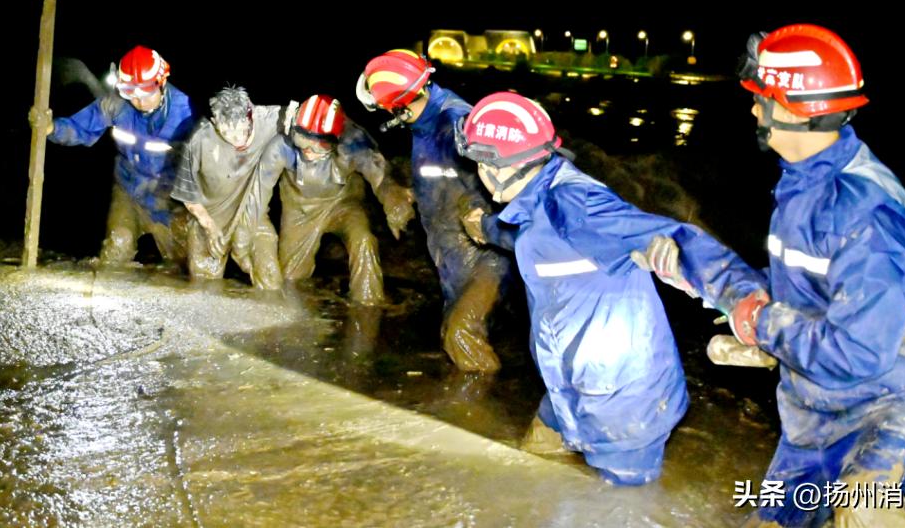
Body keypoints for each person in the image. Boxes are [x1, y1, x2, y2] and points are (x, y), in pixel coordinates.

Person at [640, 24, 905, 526]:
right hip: (812, 407)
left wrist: (761, 326)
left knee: (863, 511)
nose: (752, 110)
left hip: (888, 402)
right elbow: (799, 287)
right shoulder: (805, 182)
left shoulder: (867, 214)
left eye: (760, 100)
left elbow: (855, 352)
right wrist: (691, 266)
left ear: (789, 110)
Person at [454, 90, 765, 485]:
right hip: (565, 389)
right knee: (530, 477)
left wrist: (745, 300)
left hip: (622, 404)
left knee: (621, 509)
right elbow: (525, 235)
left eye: (479, 163)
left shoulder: (576, 203)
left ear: (497, 166)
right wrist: (484, 228)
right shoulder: (532, 199)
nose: (476, 173)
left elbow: (675, 239)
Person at [356, 50, 512, 372]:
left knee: (460, 334)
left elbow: (513, 181)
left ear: (399, 106)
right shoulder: (425, 122)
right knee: (455, 330)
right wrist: (408, 195)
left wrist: (483, 215)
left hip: (487, 250)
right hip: (449, 251)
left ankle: (480, 411)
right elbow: (442, 176)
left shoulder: (457, 125)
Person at [252, 94, 414, 304]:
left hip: (343, 204)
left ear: (336, 140)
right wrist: (259, 238)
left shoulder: (354, 142)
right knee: (290, 277)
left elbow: (380, 176)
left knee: (363, 240)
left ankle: (368, 303)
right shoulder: (281, 145)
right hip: (300, 209)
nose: (309, 151)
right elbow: (258, 197)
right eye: (303, 141)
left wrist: (394, 202)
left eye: (320, 145)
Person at [45, 45, 196, 266]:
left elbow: (206, 162)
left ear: (161, 82)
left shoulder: (186, 112)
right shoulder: (117, 104)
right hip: (129, 190)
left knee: (182, 264)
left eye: (146, 93)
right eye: (131, 93)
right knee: (117, 246)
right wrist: (50, 128)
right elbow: (81, 127)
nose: (140, 102)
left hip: (168, 199)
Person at [171, 86, 283, 288]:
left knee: (270, 279)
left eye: (242, 130)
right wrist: (210, 227)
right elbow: (187, 195)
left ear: (251, 114)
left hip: (253, 216)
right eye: (226, 132)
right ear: (215, 123)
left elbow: (310, 119)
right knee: (203, 286)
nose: (236, 139)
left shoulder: (271, 119)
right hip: (210, 218)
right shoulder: (198, 140)